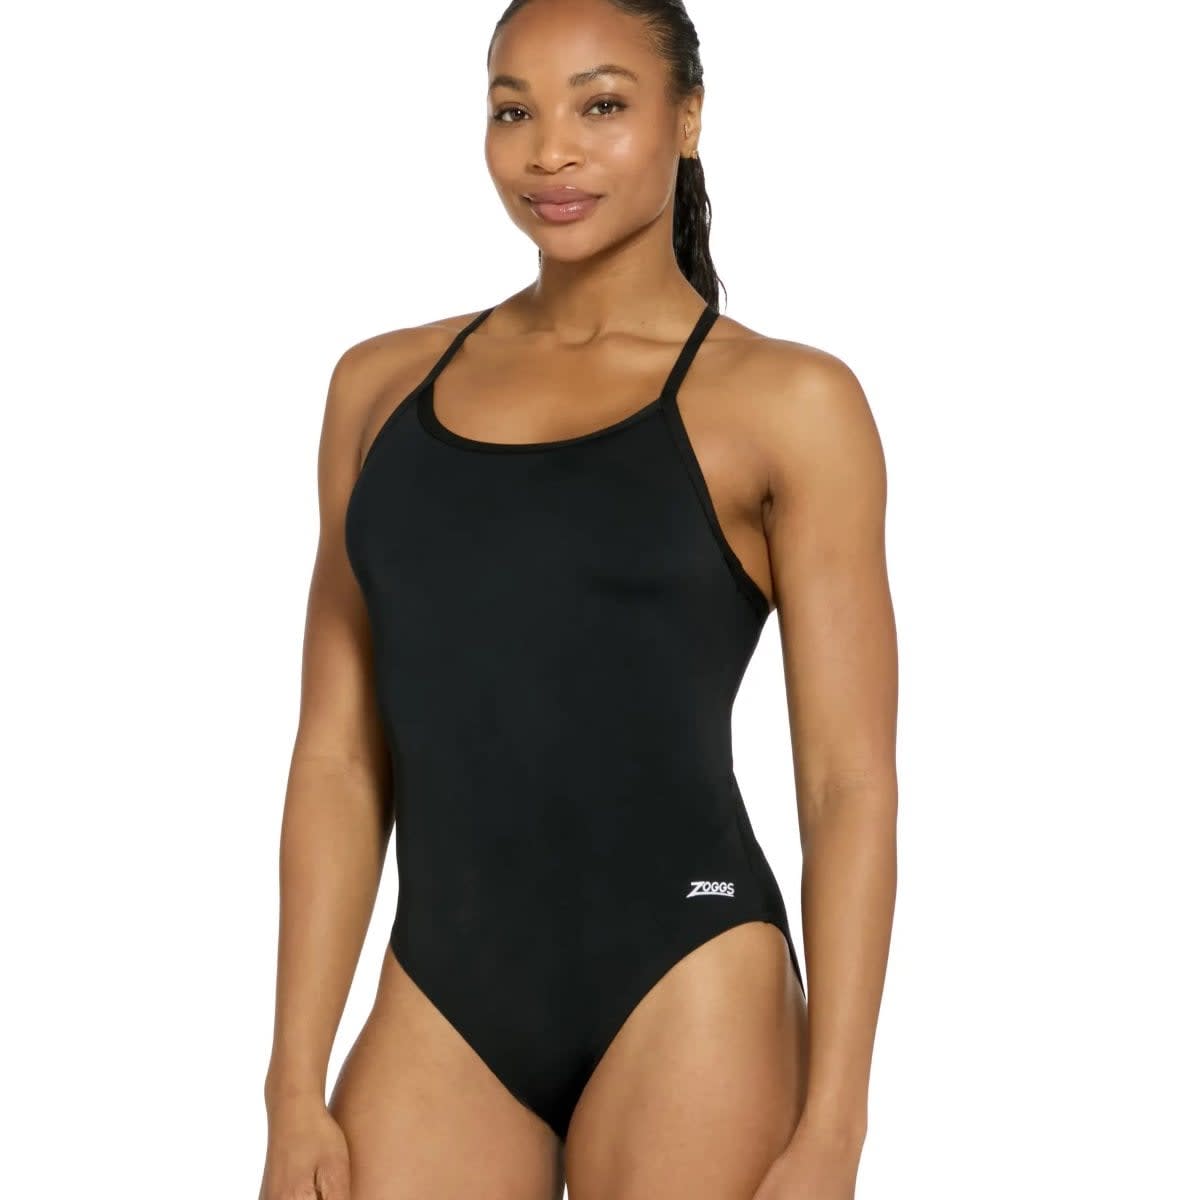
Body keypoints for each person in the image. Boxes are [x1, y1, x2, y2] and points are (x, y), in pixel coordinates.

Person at [260, 1, 897, 1197]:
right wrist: (292, 1086)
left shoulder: (790, 403)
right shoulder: (378, 390)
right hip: (444, 988)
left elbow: (847, 785)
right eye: (514, 111)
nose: (550, 150)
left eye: (601, 105)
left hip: (691, 964)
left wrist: (834, 1131)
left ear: (688, 117)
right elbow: (339, 757)